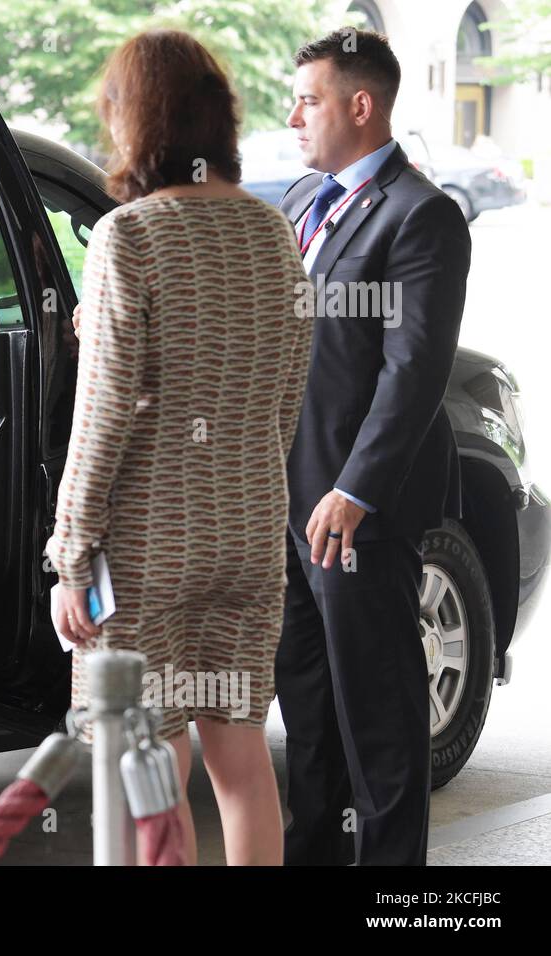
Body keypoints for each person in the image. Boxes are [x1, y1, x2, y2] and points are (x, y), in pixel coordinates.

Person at [47, 29, 312, 866]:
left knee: (149, 772)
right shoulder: (276, 236)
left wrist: (70, 556)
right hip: (247, 540)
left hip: (149, 552)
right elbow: (285, 404)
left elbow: (106, 414)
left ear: (136, 121)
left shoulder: (130, 236)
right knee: (242, 768)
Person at [276, 28, 470, 866]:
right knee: (309, 723)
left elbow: (412, 374)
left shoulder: (421, 215)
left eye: (309, 99)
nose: (293, 117)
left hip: (353, 515)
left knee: (382, 730)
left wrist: (354, 490)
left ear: (361, 105)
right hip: (283, 507)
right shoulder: (297, 205)